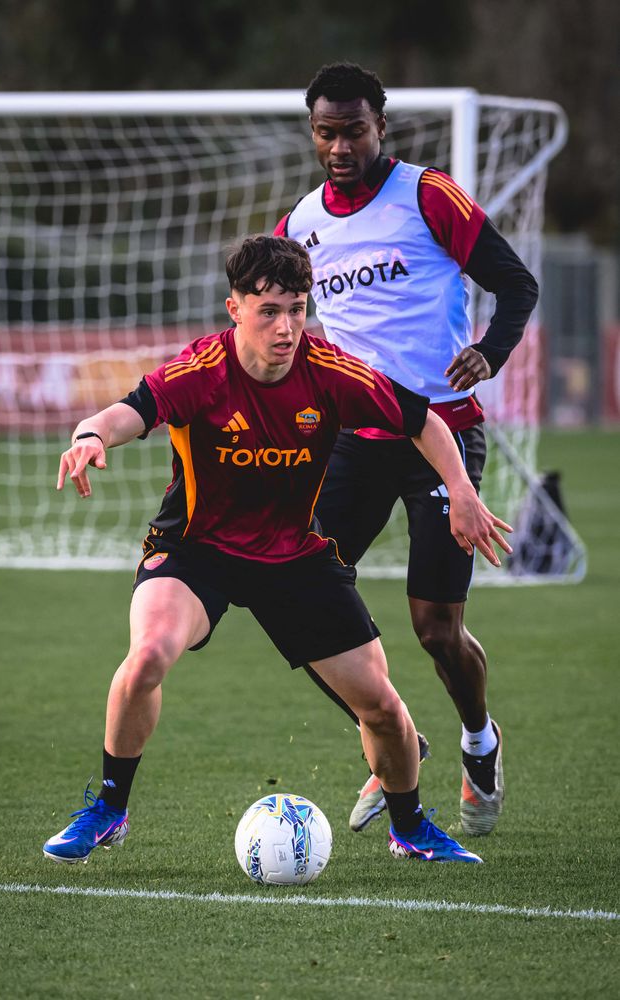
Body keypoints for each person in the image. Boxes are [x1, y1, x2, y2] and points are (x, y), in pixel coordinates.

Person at [43, 235, 511, 867]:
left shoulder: (331, 371)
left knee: (381, 705)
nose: (286, 327)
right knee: (148, 654)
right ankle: (108, 809)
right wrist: (90, 436)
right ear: (234, 309)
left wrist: (460, 489)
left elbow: (423, 420)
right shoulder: (202, 371)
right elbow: (131, 411)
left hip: (293, 556)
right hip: (196, 551)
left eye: (297, 309)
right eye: (269, 311)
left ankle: (411, 827)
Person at [275, 63, 539, 837]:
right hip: (353, 441)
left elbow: (516, 284)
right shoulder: (300, 226)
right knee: (298, 600)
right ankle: (398, 740)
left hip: (442, 433)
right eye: (326, 132)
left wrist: (490, 351)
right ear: (313, 133)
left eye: (353, 130)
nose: (340, 146)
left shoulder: (428, 196)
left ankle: (479, 742)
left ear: (380, 128)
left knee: (434, 628)